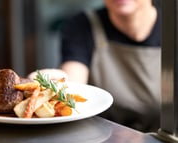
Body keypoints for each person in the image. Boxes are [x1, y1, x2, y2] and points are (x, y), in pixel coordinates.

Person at [28, 0, 161, 132]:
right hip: (104, 141)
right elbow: (74, 80)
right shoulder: (81, 26)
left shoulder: (173, 26)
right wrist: (59, 85)